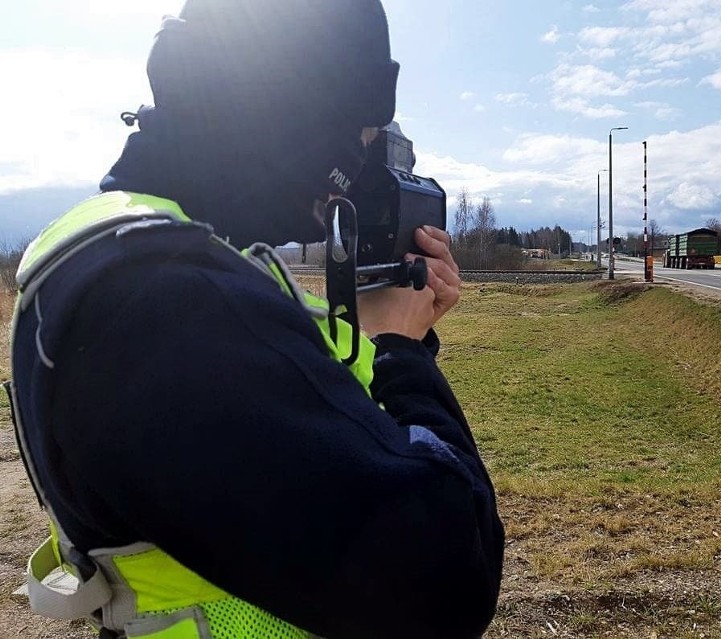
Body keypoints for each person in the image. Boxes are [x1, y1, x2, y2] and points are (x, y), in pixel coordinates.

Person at [6, 1, 504, 638]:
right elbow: (448, 578)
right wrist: (400, 354)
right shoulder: (168, 299)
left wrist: (387, 335)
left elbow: (313, 425)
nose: (356, 170)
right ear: (286, 111)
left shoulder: (118, 252)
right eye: (358, 134)